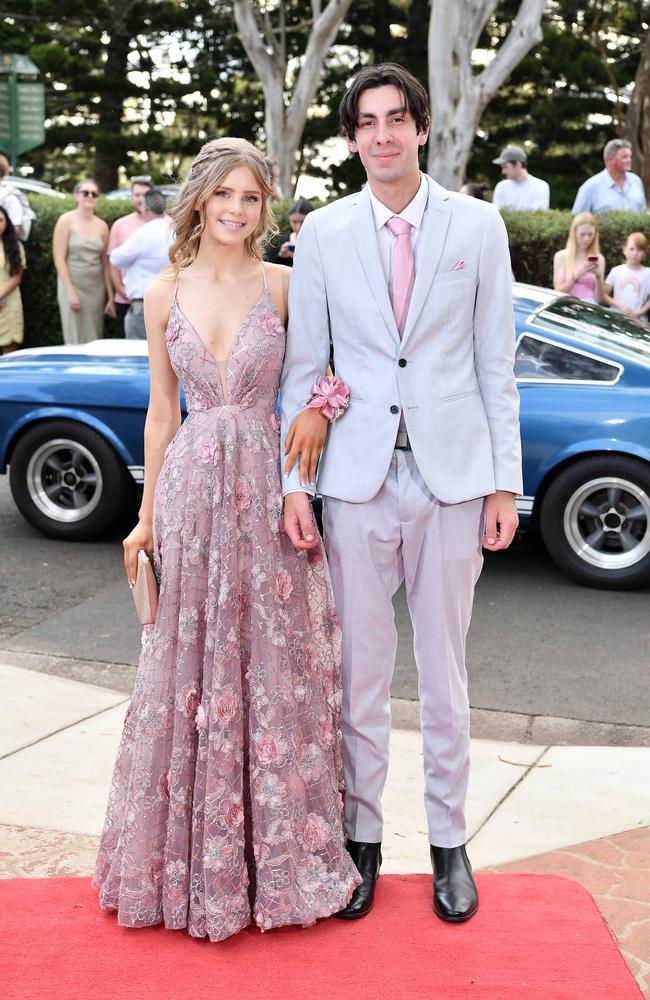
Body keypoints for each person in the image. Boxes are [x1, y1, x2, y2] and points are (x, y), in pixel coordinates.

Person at [93, 137, 361, 942]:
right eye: (225, 197)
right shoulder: (162, 293)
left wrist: (321, 408)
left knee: (268, 664)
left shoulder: (282, 283)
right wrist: (145, 515)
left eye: (252, 199)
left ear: (263, 206)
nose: (238, 212)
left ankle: (269, 861)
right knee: (188, 670)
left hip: (265, 489)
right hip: (189, 497)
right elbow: (162, 412)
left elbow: (336, 372)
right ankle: (189, 866)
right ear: (200, 202)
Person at [281, 63, 522, 924]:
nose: (382, 135)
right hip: (355, 481)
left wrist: (505, 484)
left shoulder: (478, 225)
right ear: (350, 139)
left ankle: (451, 844)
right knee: (361, 675)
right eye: (367, 123)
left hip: (455, 480)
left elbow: (498, 366)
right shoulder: (326, 233)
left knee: (448, 674)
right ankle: (362, 841)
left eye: (397, 120)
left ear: (422, 128)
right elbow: (306, 371)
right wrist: (295, 486)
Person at [53, 179, 115, 344]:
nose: (90, 196)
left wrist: (110, 296)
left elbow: (105, 263)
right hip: (72, 283)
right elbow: (59, 259)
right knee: (73, 336)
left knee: (94, 334)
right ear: (76, 196)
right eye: (85, 193)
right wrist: (70, 292)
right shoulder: (65, 221)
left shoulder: (102, 226)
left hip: (95, 288)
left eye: (94, 193)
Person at [109, 188, 172, 339]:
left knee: (139, 355)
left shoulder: (143, 234)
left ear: (145, 209)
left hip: (143, 306)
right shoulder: (174, 232)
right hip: (170, 304)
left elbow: (116, 259)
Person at [107, 176, 154, 336]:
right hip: (125, 300)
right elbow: (112, 264)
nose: (141, 199)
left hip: (158, 300)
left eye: (145, 194)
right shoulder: (120, 225)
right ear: (132, 197)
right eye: (137, 195)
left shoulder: (167, 224)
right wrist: (121, 292)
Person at [572, 139, 647, 215]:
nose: (629, 160)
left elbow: (643, 214)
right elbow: (576, 221)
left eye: (630, 156)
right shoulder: (590, 187)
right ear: (611, 159)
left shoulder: (636, 181)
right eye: (625, 157)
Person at [553, 212, 606, 304]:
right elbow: (558, 292)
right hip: (567, 306)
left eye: (590, 234)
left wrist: (598, 277)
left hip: (589, 306)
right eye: (582, 234)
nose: (586, 239)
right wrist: (577, 275)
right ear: (574, 233)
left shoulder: (599, 259)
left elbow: (599, 299)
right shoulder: (561, 256)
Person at [603, 232, 650, 321]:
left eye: (639, 250)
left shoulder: (648, 273)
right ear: (624, 250)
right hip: (615, 317)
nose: (635, 253)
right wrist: (619, 305)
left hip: (638, 321)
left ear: (644, 253)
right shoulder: (616, 271)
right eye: (631, 249)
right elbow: (604, 295)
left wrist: (640, 312)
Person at [491, 145, 550, 210]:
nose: (503, 172)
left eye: (505, 167)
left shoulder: (541, 186)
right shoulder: (501, 186)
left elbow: (538, 216)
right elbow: (497, 215)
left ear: (518, 164)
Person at [0, 206, 26, 353]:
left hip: (9, 301)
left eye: (0, 220)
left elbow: (17, 277)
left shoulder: (15, 246)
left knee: (9, 348)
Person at [266, 198, 314, 266]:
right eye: (294, 222)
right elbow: (266, 266)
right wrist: (280, 255)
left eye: (303, 222)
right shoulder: (281, 241)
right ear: (289, 220)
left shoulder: (318, 243)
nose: (298, 227)